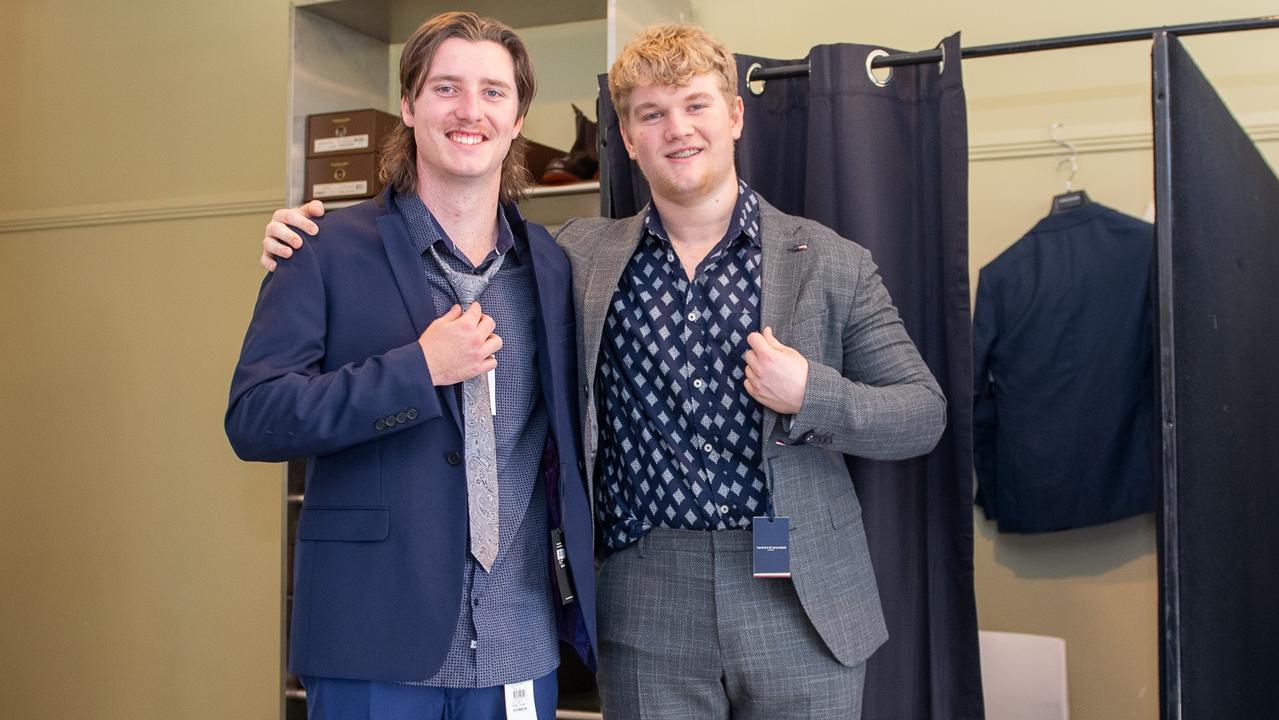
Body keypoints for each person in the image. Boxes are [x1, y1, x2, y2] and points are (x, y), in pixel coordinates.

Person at [262, 23, 944, 720]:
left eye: (696, 106)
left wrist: (812, 394)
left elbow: (921, 413)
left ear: (735, 115)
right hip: (643, 601)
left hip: (796, 593)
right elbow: (446, 243)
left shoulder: (831, 261)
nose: (677, 130)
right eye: (651, 113)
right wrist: (304, 239)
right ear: (625, 134)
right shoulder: (574, 258)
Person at [226, 12, 594, 720]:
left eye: (493, 92)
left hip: (519, 643)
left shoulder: (552, 263)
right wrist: (417, 371)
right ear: (409, 105)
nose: (469, 111)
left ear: (517, 117)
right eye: (446, 88)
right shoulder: (322, 248)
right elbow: (255, 418)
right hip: (371, 643)